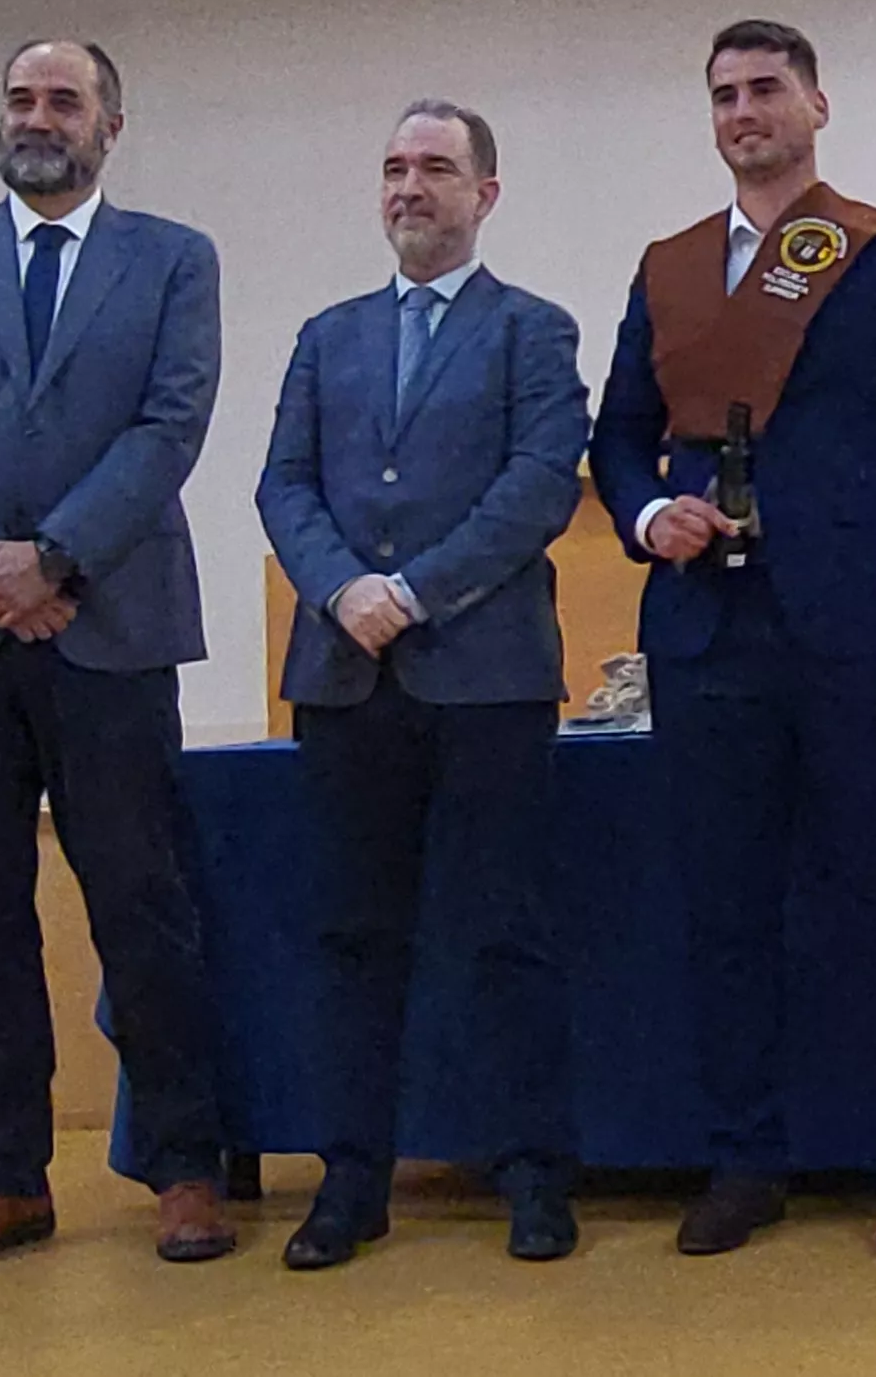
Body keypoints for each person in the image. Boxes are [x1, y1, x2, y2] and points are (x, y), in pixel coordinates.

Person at [591, 19, 876, 1257]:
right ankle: (741, 1158)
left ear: (817, 103)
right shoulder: (666, 268)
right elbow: (617, 436)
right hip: (708, 628)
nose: (743, 111)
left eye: (766, 88)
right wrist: (649, 509)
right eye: (723, 95)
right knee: (722, 909)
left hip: (864, 624)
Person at [0, 40, 235, 1276]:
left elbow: (170, 424)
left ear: (110, 125)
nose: (37, 118)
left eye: (63, 100)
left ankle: (186, 1167)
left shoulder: (174, 259)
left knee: (143, 904)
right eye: (19, 99)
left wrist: (54, 560)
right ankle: (3, 1178)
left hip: (107, 628)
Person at [256, 100, 591, 1270]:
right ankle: (351, 1182)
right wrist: (346, 590)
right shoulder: (325, 334)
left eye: (436, 169)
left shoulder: (531, 332)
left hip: (485, 680)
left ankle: (535, 1176)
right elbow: (282, 488)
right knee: (353, 937)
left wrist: (415, 590)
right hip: (346, 680)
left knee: (506, 934)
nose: (410, 187)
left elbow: (539, 485)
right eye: (394, 167)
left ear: (483, 193)